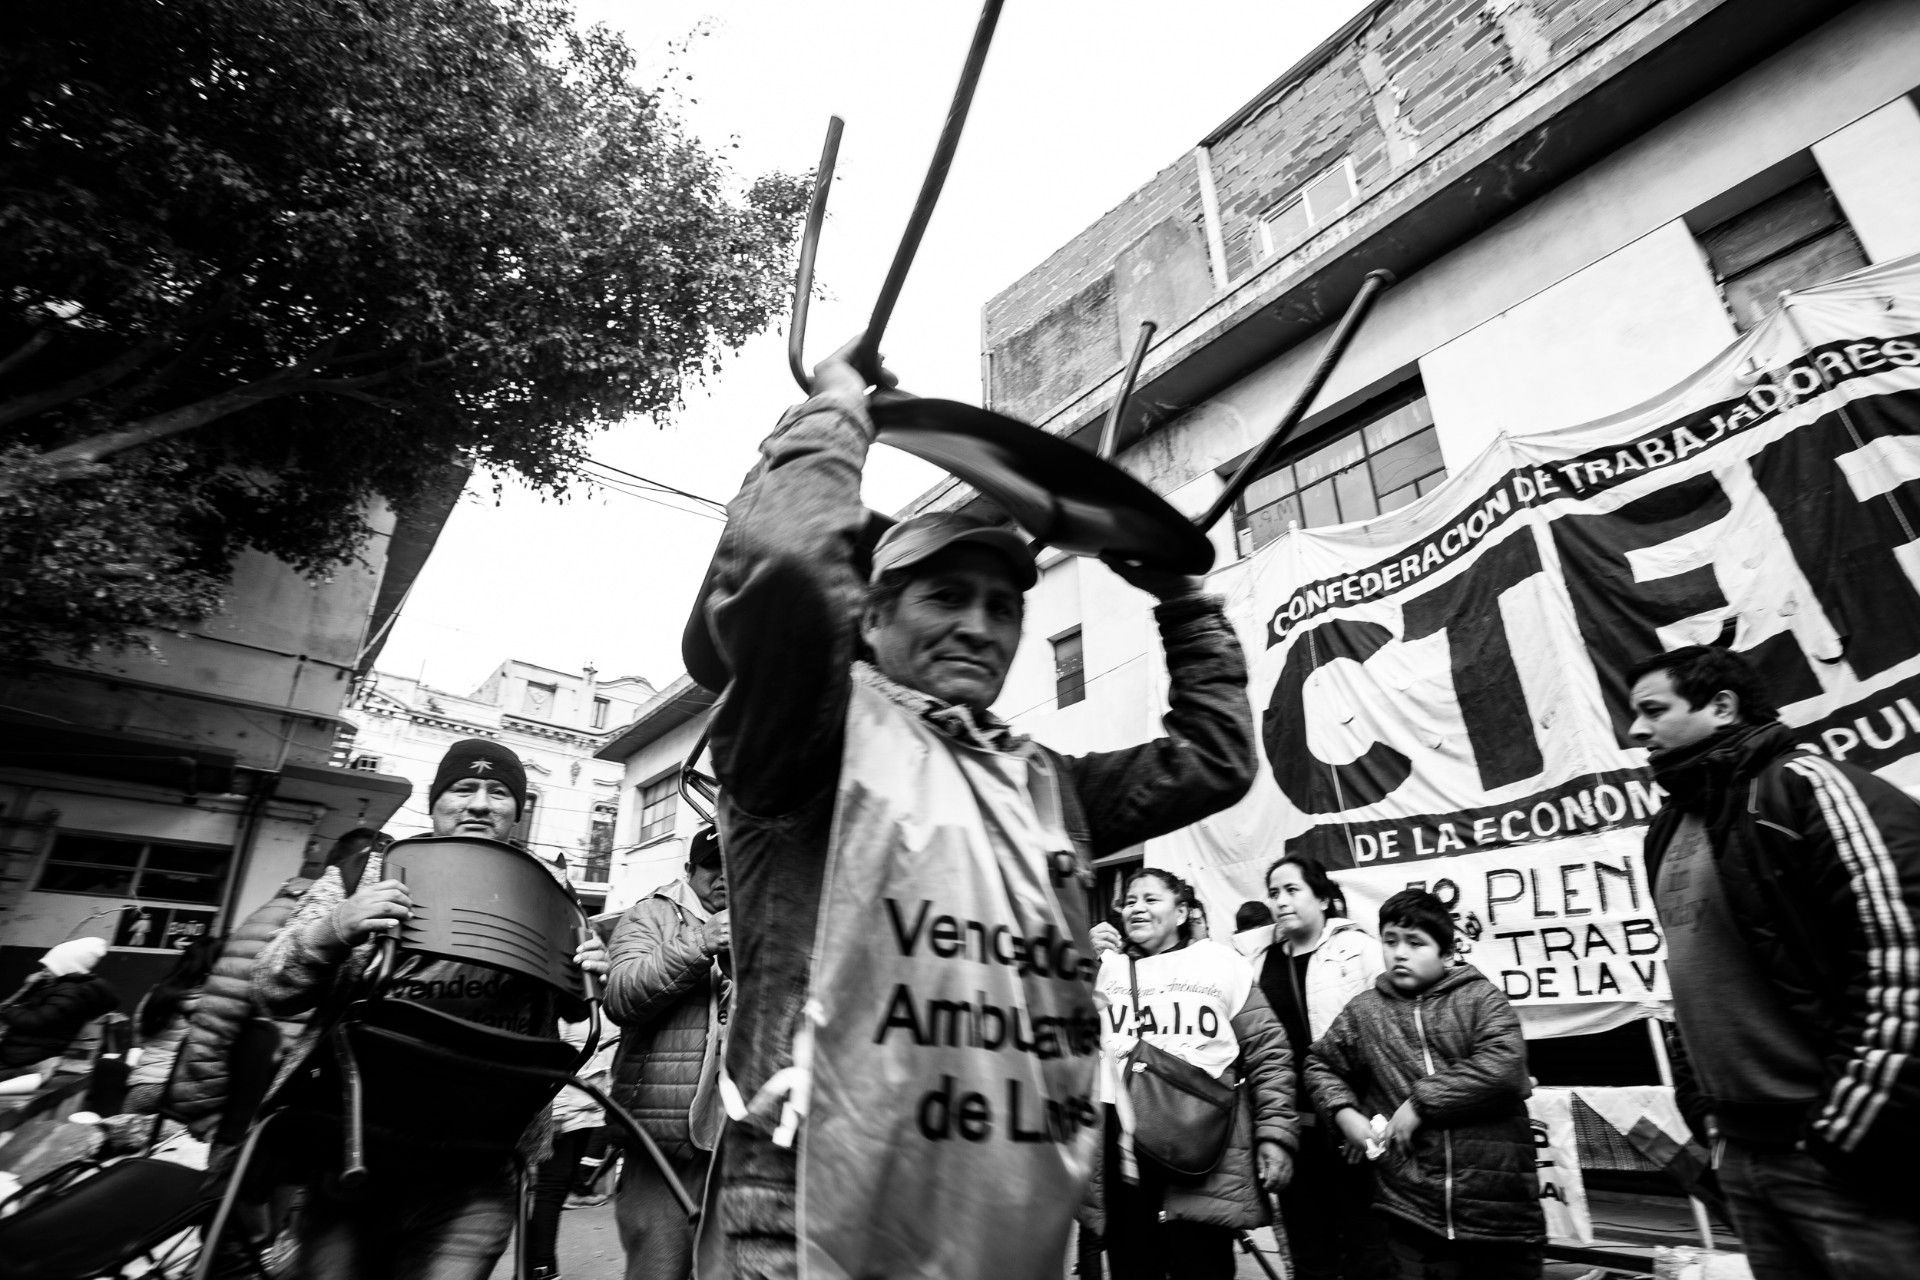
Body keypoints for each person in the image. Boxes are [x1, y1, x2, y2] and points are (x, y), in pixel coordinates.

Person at [700, 335, 1258, 1280]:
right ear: (872, 619)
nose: (979, 625)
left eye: (1004, 608)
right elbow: (789, 572)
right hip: (810, 1201)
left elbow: (1214, 760)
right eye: (946, 596)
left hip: (1013, 1202)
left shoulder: (1041, 778)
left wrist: (1181, 597)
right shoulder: (807, 733)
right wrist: (836, 413)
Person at [252, 738, 609, 1280]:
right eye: (463, 789)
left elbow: (574, 1016)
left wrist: (587, 969)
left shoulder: (549, 889)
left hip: (480, 1163)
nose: (480, 804)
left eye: (498, 794)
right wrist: (336, 927)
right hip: (356, 1148)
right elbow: (272, 987)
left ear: (517, 811)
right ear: (435, 801)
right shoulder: (367, 872)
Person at [1629, 645, 1920, 1278]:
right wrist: (1707, 1120)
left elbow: (1905, 964)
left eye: (1653, 710)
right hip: (1741, 1155)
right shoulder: (1665, 830)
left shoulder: (1807, 789)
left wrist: (1842, 1136)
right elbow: (1687, 980)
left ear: (1722, 706)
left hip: (1838, 1160)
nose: (1636, 730)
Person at [1306, 890, 1543, 1280]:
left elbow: (1505, 1065)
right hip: (1410, 1208)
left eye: (1416, 943)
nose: (1400, 953)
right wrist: (1343, 1113)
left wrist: (1420, 1103)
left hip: (1498, 1212)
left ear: (1448, 954)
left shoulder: (1480, 998)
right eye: (1390, 940)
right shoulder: (1365, 1011)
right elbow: (1320, 1064)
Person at [1086, 868, 1295, 1280]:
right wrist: (1079, 958)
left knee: (1201, 1266)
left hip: (1203, 1147)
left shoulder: (1221, 963)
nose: (1137, 908)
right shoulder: (1103, 970)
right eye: (1129, 901)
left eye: (1150, 899)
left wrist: (1275, 1134)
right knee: (1133, 1266)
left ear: (1182, 911)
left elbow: (1269, 1052)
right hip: (1121, 1154)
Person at [1249, 855, 1392, 1280]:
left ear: (1324, 898)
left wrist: (1367, 1116)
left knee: (1369, 1250)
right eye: (1274, 893)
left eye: (1292, 890)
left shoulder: (1361, 950)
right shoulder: (1257, 964)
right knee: (1310, 1251)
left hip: (1353, 1128)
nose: (1281, 901)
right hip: (1294, 1131)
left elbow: (1388, 1038)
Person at [602, 826, 729, 1280]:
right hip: (665, 1139)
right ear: (689, 870)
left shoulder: (763, 917)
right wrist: (700, 943)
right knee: (660, 1269)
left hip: (740, 1141)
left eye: (734, 862)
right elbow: (620, 996)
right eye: (713, 866)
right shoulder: (651, 915)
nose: (724, 876)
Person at [123, 936, 221, 1113]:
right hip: (182, 1091)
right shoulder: (214, 1003)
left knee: (123, 1136)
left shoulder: (157, 994)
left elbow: (139, 1041)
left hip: (143, 1085)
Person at [0, 937, 120, 1080]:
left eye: (49, 966)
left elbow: (35, 1020)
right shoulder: (62, 988)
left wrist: (7, 1011)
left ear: (65, 967)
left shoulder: (71, 994)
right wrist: (30, 986)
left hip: (28, 1059)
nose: (44, 969)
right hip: (21, 1054)